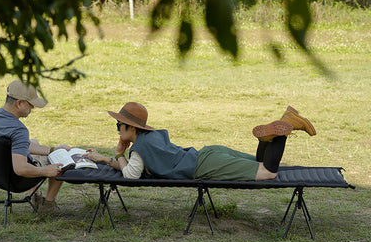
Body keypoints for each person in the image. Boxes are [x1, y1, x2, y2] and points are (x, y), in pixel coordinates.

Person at [85, 102, 316, 181]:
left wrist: (118, 153)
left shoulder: (139, 149)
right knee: (260, 160)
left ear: (131, 128)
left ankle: (285, 128)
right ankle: (271, 135)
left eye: (119, 125)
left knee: (268, 172)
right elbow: (134, 166)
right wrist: (104, 158)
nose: (117, 129)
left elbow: (130, 174)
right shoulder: (150, 138)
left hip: (205, 166)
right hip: (207, 154)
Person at [0, 79, 70, 215]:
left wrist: (53, 149)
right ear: (19, 103)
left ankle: (36, 195)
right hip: (17, 180)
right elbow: (20, 168)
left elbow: (19, 145)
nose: (33, 108)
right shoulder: (19, 130)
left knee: (34, 142)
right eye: (31, 104)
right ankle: (48, 205)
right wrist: (46, 170)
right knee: (61, 162)